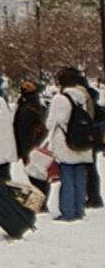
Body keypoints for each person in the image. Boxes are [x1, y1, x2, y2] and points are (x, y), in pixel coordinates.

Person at [46, 67, 93, 221]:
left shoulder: (60, 99)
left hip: (66, 143)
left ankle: (68, 212)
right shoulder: (83, 97)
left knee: (67, 179)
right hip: (82, 142)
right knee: (79, 178)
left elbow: (52, 122)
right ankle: (79, 210)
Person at [13, 81, 49, 203]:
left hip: (28, 144)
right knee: (38, 173)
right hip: (37, 143)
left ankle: (39, 201)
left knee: (34, 174)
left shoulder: (25, 107)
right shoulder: (37, 105)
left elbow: (22, 130)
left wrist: (22, 150)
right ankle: (41, 200)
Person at [76, 75, 104, 208]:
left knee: (88, 168)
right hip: (93, 136)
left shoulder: (82, 98)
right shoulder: (91, 97)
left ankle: (93, 197)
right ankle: (94, 197)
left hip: (86, 136)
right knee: (90, 168)